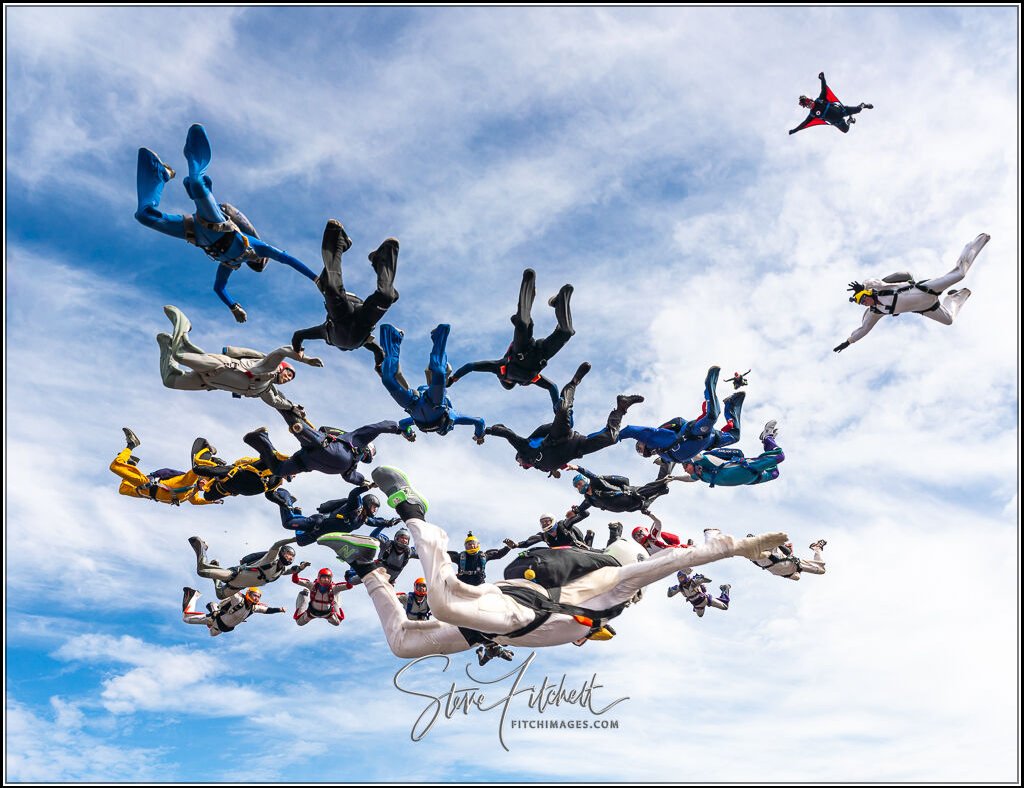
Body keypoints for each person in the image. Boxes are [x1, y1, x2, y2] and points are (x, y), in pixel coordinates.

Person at [316, 466, 786, 661]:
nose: (638, 595)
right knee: (443, 602)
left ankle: (368, 565)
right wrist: (735, 547)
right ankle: (414, 512)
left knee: (402, 643)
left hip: (497, 628)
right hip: (514, 610)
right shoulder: (619, 581)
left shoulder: (606, 610)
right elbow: (675, 561)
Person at [135, 124, 318, 321]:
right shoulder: (255, 246)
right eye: (263, 260)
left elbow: (219, 288)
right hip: (214, 222)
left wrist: (233, 306)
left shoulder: (231, 264)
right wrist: (316, 278)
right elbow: (287, 259)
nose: (260, 260)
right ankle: (193, 158)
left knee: (144, 216)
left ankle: (160, 172)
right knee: (196, 183)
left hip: (193, 232)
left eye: (260, 263)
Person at [834, 233, 990, 352]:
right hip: (926, 308)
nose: (864, 303)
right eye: (862, 304)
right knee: (948, 320)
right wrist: (849, 341)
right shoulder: (875, 312)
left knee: (959, 274)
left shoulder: (880, 290)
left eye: (863, 299)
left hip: (925, 289)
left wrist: (863, 286)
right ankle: (954, 296)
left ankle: (977, 242)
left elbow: (873, 281)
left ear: (867, 294)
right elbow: (864, 329)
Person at [158, 305, 321, 414]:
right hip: (218, 366)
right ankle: (183, 324)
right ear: (281, 367)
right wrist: (305, 360)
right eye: (288, 374)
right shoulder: (269, 366)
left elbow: (276, 402)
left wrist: (292, 407)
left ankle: (167, 345)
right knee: (180, 355)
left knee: (169, 381)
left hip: (207, 382)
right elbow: (283, 351)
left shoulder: (264, 390)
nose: (288, 378)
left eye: (290, 379)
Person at [447, 269, 574, 409]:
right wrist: (558, 408)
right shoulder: (524, 379)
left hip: (522, 349)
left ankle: (529, 298)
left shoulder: (500, 368)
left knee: (523, 324)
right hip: (539, 354)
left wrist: (453, 378)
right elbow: (552, 387)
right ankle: (559, 301)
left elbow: (471, 366)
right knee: (565, 332)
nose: (509, 380)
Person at [486, 362, 644, 474]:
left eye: (518, 462)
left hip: (557, 436)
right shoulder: (542, 467)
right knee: (611, 438)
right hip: (578, 447)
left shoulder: (524, 448)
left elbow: (507, 434)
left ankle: (573, 383)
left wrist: (485, 432)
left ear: (520, 456)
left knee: (562, 410)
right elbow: (557, 462)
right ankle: (622, 406)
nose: (520, 465)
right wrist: (556, 469)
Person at [291, 219, 401, 375]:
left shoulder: (324, 332)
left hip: (340, 316)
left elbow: (298, 335)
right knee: (386, 296)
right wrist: (379, 367)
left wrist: (298, 351)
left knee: (331, 288)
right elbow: (379, 352)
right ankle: (382, 257)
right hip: (363, 320)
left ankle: (338, 240)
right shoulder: (364, 342)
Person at [619, 367, 743, 477]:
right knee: (735, 436)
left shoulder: (658, 438)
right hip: (709, 441)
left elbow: (677, 421)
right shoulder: (664, 454)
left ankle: (709, 383)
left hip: (693, 433)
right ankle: (731, 404)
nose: (641, 451)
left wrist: (618, 435)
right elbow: (674, 465)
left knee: (712, 416)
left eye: (639, 448)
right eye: (640, 451)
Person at [379, 323, 486, 442]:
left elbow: (402, 424)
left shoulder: (416, 419)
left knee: (388, 379)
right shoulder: (454, 416)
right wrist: (479, 435)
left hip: (414, 404)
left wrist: (408, 433)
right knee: (439, 372)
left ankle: (392, 335)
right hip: (435, 404)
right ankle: (439, 334)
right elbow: (479, 421)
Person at [243, 408, 412, 482]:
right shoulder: (357, 441)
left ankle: (260, 438)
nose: (364, 457)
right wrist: (399, 429)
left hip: (308, 459)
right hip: (322, 449)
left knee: (279, 470)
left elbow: (351, 478)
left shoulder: (351, 465)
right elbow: (378, 427)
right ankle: (282, 405)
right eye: (367, 455)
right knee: (298, 428)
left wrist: (364, 482)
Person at [110, 427, 216, 506]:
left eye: (207, 486)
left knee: (123, 489)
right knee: (115, 466)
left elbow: (196, 501)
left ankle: (131, 463)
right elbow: (197, 468)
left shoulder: (193, 493)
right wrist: (207, 451)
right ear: (201, 479)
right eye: (206, 481)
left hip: (145, 492)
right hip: (148, 484)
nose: (206, 486)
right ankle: (131, 445)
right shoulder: (189, 481)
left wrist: (211, 501)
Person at [267, 485, 399, 546]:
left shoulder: (362, 519)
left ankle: (297, 513)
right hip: (317, 522)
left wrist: (388, 523)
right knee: (288, 523)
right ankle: (285, 495)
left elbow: (375, 522)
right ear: (368, 503)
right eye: (374, 506)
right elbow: (354, 494)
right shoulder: (356, 506)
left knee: (300, 542)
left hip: (317, 534)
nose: (375, 510)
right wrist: (367, 487)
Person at [188, 535, 307, 599]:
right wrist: (294, 539)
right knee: (202, 571)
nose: (290, 558)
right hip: (234, 574)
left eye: (292, 557)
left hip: (237, 586)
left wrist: (300, 568)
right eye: (289, 554)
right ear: (282, 552)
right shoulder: (271, 558)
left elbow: (291, 571)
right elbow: (277, 544)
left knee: (220, 595)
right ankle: (202, 547)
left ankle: (215, 567)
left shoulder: (280, 571)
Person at [674, 420, 785, 488]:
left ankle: (767, 437)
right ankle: (768, 442)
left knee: (779, 456)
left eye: (685, 466)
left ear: (691, 462)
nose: (685, 470)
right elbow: (689, 479)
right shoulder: (699, 475)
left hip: (746, 468)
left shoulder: (703, 461)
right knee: (774, 473)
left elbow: (693, 454)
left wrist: (674, 448)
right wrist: (674, 478)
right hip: (751, 478)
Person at [565, 463, 676, 524]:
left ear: (585, 480)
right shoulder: (589, 499)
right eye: (576, 486)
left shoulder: (596, 483)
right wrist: (573, 512)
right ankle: (662, 489)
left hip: (633, 494)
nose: (579, 487)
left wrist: (577, 468)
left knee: (660, 485)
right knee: (661, 489)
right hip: (633, 507)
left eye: (579, 483)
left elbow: (591, 475)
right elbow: (580, 509)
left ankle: (666, 460)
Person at [189, 437, 287, 502]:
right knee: (197, 469)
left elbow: (270, 495)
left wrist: (285, 504)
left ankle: (211, 471)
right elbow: (249, 460)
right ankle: (210, 454)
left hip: (229, 487)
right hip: (231, 474)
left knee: (207, 496)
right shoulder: (269, 464)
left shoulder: (277, 482)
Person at [789, 72, 873, 135]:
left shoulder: (820, 100)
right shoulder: (812, 114)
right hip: (838, 122)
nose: (809, 105)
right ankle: (849, 121)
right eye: (807, 105)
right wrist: (794, 130)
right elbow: (804, 124)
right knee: (846, 130)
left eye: (808, 102)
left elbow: (823, 89)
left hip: (842, 111)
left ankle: (863, 105)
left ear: (811, 100)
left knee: (858, 110)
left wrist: (822, 79)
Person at [181, 586, 285, 636]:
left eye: (258, 597)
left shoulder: (254, 608)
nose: (256, 598)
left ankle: (213, 607)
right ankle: (192, 594)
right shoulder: (238, 599)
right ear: (248, 594)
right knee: (186, 618)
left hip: (222, 627)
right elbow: (230, 589)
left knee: (212, 634)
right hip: (215, 619)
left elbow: (267, 610)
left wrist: (279, 609)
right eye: (254, 595)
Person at [447, 532, 516, 586]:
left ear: (477, 544)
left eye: (473, 543)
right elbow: (443, 555)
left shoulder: (483, 556)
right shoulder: (459, 556)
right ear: (465, 546)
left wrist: (508, 547)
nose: (472, 545)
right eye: (469, 544)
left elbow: (499, 554)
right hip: (461, 585)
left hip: (480, 585)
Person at [750, 539, 826, 580]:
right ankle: (817, 548)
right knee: (821, 569)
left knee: (821, 569)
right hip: (786, 567)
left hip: (787, 566)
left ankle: (817, 548)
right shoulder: (773, 547)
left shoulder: (774, 550)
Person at [516, 513, 590, 550]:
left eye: (546, 521)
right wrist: (516, 545)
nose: (545, 524)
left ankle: (589, 538)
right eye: (542, 522)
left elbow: (586, 514)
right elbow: (527, 543)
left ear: (553, 520)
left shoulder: (564, 525)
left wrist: (576, 511)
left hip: (578, 549)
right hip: (562, 556)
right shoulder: (544, 536)